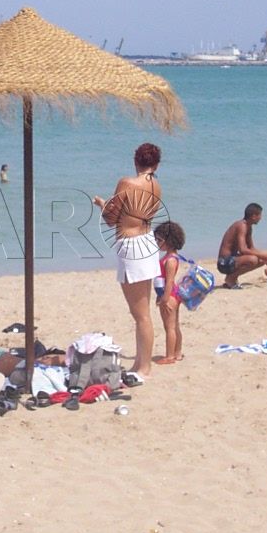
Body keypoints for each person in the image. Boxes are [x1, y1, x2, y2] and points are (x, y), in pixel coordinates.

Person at [92, 142, 162, 377]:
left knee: (140, 314)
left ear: (136, 161)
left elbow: (112, 219)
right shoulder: (156, 186)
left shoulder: (127, 183)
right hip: (148, 242)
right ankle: (141, 363)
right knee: (142, 312)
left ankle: (145, 366)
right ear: (157, 164)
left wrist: (102, 204)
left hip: (131, 246)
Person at [217, 203, 267, 289]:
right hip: (224, 262)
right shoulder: (242, 226)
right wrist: (263, 255)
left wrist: (266, 256)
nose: (261, 218)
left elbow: (251, 248)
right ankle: (231, 278)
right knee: (253, 259)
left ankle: (232, 277)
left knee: (262, 260)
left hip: (233, 259)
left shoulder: (248, 227)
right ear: (254, 216)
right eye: (260, 215)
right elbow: (243, 249)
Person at [153, 221, 186, 365]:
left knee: (170, 327)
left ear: (169, 241)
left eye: (159, 240)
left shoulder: (171, 260)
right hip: (170, 295)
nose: (157, 243)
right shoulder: (170, 257)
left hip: (170, 295)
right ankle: (177, 353)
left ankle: (170, 356)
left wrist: (164, 299)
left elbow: (169, 282)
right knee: (174, 326)